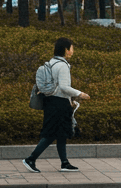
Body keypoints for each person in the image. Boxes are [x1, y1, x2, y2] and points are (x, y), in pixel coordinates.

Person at [23, 37, 88, 173]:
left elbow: (57, 86)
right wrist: (80, 94)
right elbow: (64, 87)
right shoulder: (62, 66)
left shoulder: (51, 63)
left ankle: (64, 163)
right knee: (52, 134)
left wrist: (69, 101)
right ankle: (31, 159)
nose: (73, 50)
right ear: (66, 49)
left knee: (61, 134)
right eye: (72, 48)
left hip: (51, 102)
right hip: (59, 104)